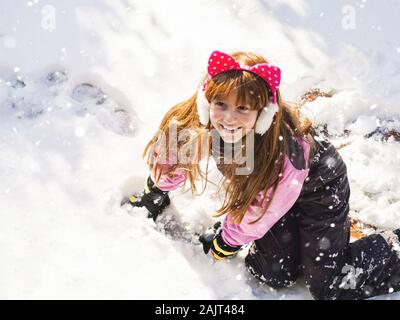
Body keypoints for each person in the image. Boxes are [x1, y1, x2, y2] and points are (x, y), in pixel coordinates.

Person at [122, 50, 400, 300]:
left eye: (243, 108)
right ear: (207, 103)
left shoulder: (284, 154)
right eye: (221, 104)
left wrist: (225, 243)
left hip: (318, 188)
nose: (229, 118)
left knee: (329, 286)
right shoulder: (201, 121)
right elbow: (173, 155)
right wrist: (155, 193)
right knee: (274, 273)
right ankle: (295, 236)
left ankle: (393, 250)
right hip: (270, 191)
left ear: (264, 114)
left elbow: (260, 211)